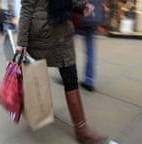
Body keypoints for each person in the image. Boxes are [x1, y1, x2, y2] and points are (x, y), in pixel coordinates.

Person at [17, 0, 107, 143]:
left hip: (64, 32)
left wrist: (81, 7)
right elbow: (27, 9)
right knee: (33, 76)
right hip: (43, 34)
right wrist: (21, 42)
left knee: (70, 76)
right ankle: (30, 110)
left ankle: (81, 129)